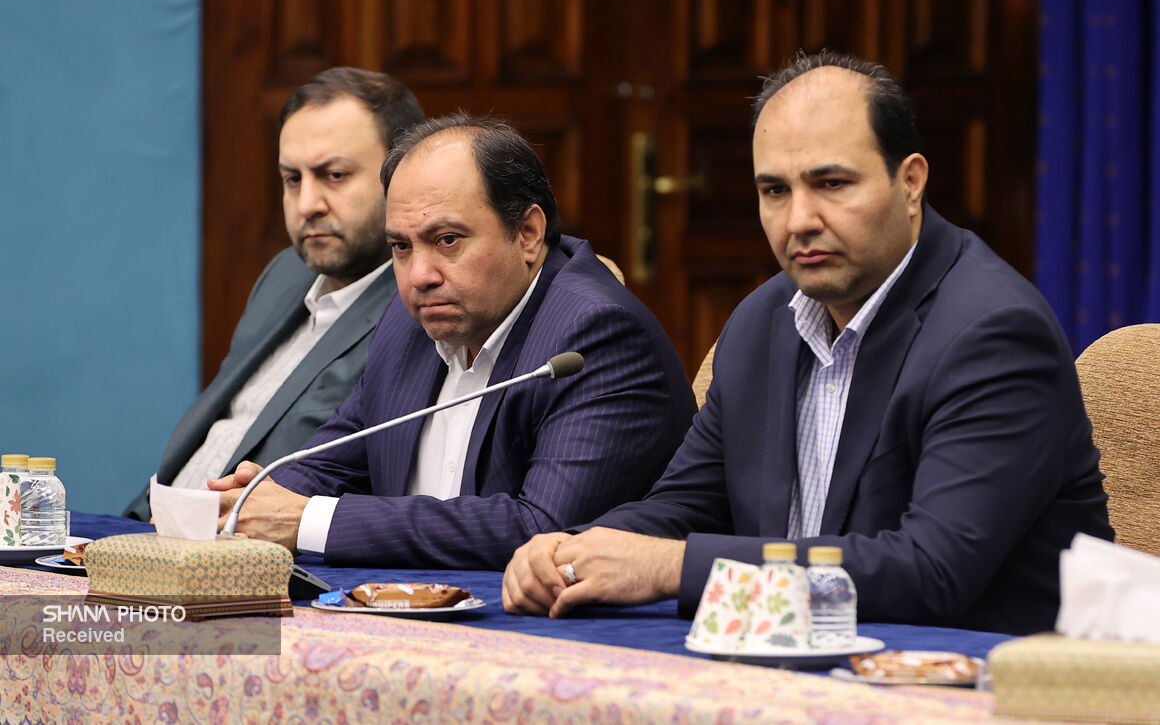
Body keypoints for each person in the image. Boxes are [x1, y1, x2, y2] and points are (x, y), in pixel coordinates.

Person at [501, 52, 1114, 635]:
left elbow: (931, 573)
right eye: (775, 191)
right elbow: (684, 506)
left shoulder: (994, 333)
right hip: (791, 654)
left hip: (970, 678)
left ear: (910, 183)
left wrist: (669, 568)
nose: (799, 221)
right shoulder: (763, 319)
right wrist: (571, 551)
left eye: (832, 183)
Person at [210, 112, 697, 570]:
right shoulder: (411, 323)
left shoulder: (596, 335)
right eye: (401, 247)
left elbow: (542, 529)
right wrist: (252, 503)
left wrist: (309, 521)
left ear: (528, 233)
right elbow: (330, 463)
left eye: (447, 240)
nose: (419, 276)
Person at [123, 67, 425, 521]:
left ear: (403, 175)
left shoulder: (420, 305)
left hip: (248, 550)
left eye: (335, 175)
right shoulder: (287, 274)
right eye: (292, 179)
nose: (307, 205)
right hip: (152, 528)